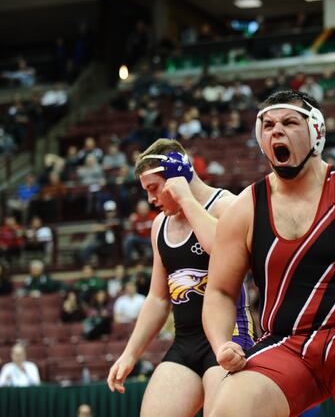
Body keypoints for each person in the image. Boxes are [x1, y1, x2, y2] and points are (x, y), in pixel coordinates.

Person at [203, 90, 335, 416]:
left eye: (290, 122)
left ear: (316, 132)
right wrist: (223, 343)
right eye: (268, 125)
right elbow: (220, 290)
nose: (276, 131)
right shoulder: (246, 209)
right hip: (285, 343)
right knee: (229, 409)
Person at [107, 139, 255, 417]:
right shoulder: (160, 225)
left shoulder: (227, 206)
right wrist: (130, 354)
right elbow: (158, 298)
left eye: (153, 188)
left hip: (228, 339)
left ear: (178, 175)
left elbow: (219, 248)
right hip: (185, 342)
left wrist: (186, 199)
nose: (150, 200)